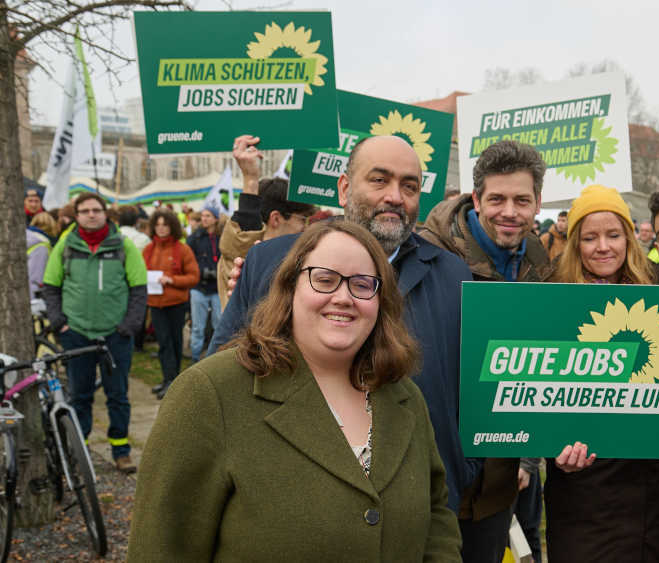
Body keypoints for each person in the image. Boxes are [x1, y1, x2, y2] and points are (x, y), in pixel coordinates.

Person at [130, 219, 461, 561]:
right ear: (289, 287)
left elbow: (436, 517)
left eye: (363, 285)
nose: (344, 297)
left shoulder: (403, 397)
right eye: (325, 280)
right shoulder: (210, 395)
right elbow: (162, 547)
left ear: (381, 301)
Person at [208, 135, 480, 522]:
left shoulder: (452, 275)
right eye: (379, 180)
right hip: (292, 514)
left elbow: (471, 388)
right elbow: (226, 373)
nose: (395, 197)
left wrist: (463, 466)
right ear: (344, 187)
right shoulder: (271, 262)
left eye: (409, 186)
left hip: (418, 512)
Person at [545, 184, 659, 563]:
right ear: (575, 242)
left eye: (613, 235)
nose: (603, 247)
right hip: (585, 490)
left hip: (654, 488)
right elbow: (541, 395)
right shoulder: (553, 298)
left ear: (629, 238)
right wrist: (552, 447)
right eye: (590, 237)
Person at [421, 139, 554, 563]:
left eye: (522, 200)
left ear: (538, 203)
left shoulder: (540, 263)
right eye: (497, 199)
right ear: (476, 198)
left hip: (498, 481)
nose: (510, 212)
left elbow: (540, 364)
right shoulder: (428, 254)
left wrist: (528, 454)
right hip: (430, 470)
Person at [41, 193, 147, 473]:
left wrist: (129, 326)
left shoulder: (123, 245)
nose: (91, 215)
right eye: (85, 210)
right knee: (80, 395)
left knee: (118, 395)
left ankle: (121, 451)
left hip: (115, 335)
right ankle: (81, 449)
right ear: (76, 215)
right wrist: (59, 322)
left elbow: (138, 289)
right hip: (76, 333)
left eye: (96, 210)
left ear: (105, 214)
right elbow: (50, 286)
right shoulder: (65, 244)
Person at [217, 134, 316, 309]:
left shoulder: (295, 257)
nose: (305, 228)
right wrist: (250, 179)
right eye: (302, 219)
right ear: (276, 218)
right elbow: (243, 237)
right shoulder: (242, 256)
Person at [144, 210, 199, 400]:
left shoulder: (182, 250)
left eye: (165, 225)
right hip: (155, 303)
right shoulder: (148, 249)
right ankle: (167, 378)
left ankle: (173, 381)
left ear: (172, 226)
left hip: (175, 303)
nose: (161, 228)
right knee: (163, 343)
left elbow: (193, 277)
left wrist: (172, 280)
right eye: (158, 224)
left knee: (174, 343)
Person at [186, 207, 223, 362]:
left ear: (215, 218)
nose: (204, 219)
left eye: (208, 216)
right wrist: (201, 271)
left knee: (219, 326)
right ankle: (195, 360)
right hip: (199, 288)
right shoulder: (195, 237)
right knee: (197, 328)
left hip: (217, 289)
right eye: (202, 216)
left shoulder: (222, 237)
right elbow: (188, 260)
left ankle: (213, 362)